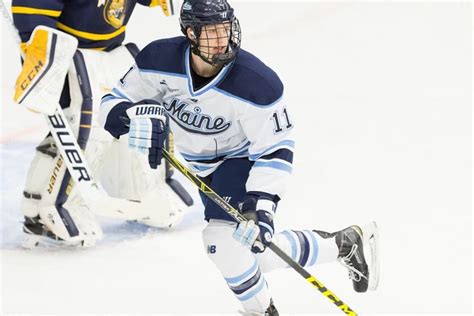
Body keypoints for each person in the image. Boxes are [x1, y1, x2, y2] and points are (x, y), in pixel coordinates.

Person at [100, 0, 379, 314]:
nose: (224, 39)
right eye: (211, 32)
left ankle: (260, 312)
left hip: (242, 161)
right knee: (248, 252)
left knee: (221, 243)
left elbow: (276, 148)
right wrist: (131, 117)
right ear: (190, 33)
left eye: (226, 29)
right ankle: (342, 244)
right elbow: (114, 101)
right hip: (203, 167)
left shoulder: (257, 84)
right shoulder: (157, 59)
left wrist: (262, 205)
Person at [11, 0, 193, 248]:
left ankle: (139, 190)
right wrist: (39, 50)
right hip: (69, 55)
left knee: (137, 117)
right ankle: (44, 208)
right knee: (85, 129)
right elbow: (33, 9)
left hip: (112, 53)